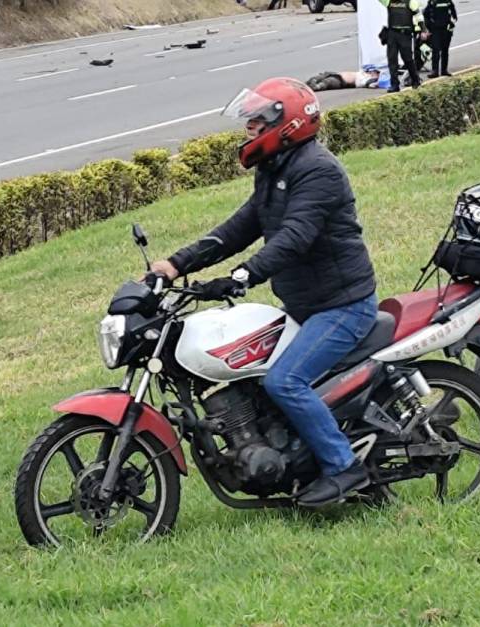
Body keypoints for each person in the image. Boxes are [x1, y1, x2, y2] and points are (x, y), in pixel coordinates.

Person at [150, 78, 379, 507]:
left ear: (287, 124)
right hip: (305, 305)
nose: (249, 130)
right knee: (254, 376)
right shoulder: (276, 169)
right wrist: (177, 264)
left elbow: (295, 237)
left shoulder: (318, 170)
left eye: (257, 121)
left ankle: (345, 469)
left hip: (342, 306)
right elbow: (239, 228)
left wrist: (242, 275)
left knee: (285, 382)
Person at [379, 0, 425, 92]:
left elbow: (419, 16)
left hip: (405, 34)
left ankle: (415, 80)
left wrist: (423, 30)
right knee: (392, 60)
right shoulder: (389, 1)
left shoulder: (411, 2)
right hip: (392, 34)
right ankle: (394, 85)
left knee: (408, 59)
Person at [424, 0, 458, 77]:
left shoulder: (448, 1)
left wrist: (452, 23)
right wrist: (430, 27)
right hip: (436, 30)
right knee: (436, 50)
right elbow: (426, 14)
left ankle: (444, 70)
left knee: (445, 50)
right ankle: (435, 71)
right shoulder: (432, 2)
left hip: (446, 29)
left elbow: (453, 13)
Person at [305, 67, 380, 91]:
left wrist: (375, 83)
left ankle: (316, 87)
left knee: (328, 81)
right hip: (336, 74)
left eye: (375, 72)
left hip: (342, 81)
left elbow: (370, 85)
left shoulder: (368, 80)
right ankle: (307, 85)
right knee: (319, 76)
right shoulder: (366, 72)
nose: (373, 72)